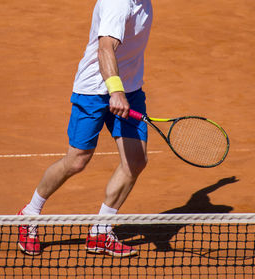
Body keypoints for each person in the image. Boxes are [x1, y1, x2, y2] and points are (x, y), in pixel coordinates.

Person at [17, 0, 153, 257]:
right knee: (77, 160)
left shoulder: (144, 3)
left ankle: (100, 231)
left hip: (130, 89)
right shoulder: (118, 4)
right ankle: (29, 214)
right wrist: (115, 91)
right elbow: (105, 49)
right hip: (94, 90)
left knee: (135, 161)